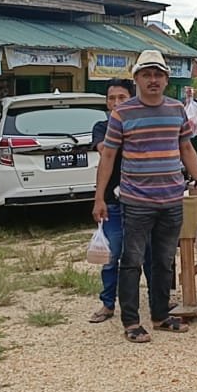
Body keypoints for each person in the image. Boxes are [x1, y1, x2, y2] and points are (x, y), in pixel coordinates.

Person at [93, 50, 197, 344]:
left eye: (158, 74)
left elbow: (186, 149)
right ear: (136, 79)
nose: (153, 80)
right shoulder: (123, 113)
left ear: (166, 79)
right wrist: (99, 198)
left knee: (163, 261)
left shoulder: (176, 110)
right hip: (136, 201)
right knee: (131, 261)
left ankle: (160, 316)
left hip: (171, 199)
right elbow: (108, 156)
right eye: (146, 74)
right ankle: (131, 322)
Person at [89, 78, 142, 323]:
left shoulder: (141, 125)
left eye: (122, 97)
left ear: (132, 99)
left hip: (141, 200)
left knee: (148, 254)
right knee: (112, 256)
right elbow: (104, 149)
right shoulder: (102, 127)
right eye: (112, 98)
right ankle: (108, 304)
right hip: (112, 200)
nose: (116, 102)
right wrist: (98, 198)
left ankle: (158, 301)